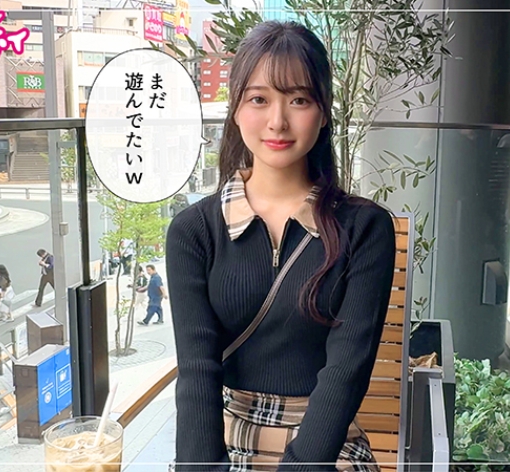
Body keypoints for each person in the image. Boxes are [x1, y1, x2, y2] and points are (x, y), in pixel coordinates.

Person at [165, 21, 395, 471]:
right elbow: (197, 373)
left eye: (299, 100)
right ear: (236, 110)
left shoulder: (365, 228)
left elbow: (346, 372)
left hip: (325, 444)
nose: (277, 121)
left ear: (323, 112)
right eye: (259, 99)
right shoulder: (194, 231)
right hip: (231, 433)